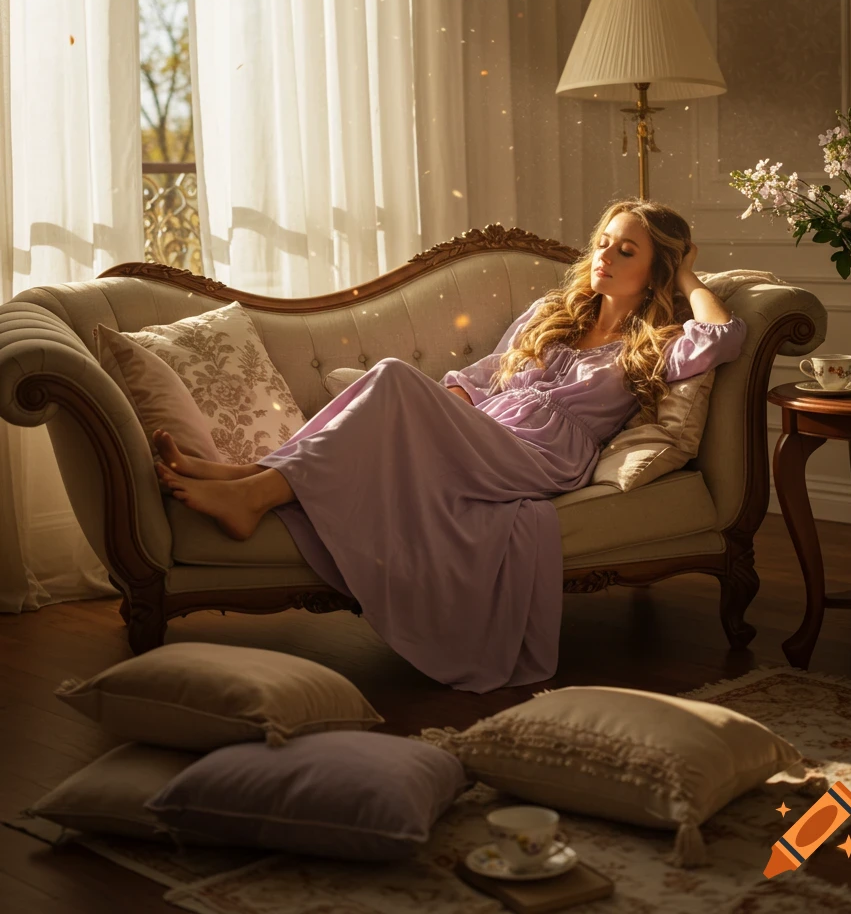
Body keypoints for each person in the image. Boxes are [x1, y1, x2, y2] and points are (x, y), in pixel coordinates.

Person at [153, 199, 747, 692]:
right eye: (603, 242)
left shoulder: (658, 342)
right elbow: (486, 375)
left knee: (389, 376)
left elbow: (723, 333)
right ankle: (248, 480)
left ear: (657, 270)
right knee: (396, 392)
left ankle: (252, 486)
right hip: (484, 432)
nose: (605, 257)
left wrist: (690, 274)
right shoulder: (552, 313)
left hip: (541, 456)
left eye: (627, 250)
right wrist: (443, 416)